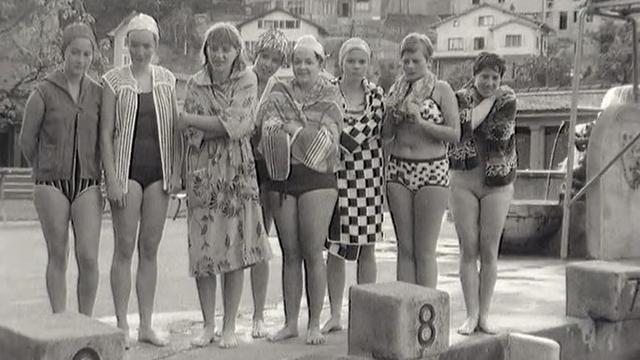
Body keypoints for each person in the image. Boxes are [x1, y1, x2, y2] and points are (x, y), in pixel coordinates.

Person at [178, 23, 272, 349]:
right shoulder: (194, 83)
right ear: (205, 50)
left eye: (226, 49)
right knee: (204, 251)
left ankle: (230, 324)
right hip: (202, 169)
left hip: (237, 171)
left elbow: (240, 124)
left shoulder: (247, 79)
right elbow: (191, 135)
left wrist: (194, 120)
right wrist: (208, 125)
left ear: (236, 52)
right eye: (213, 48)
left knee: (235, 250)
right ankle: (207, 324)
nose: (219, 54)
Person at [256, 34, 343, 345]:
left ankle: (315, 323)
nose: (302, 67)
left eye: (309, 61)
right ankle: (291, 322)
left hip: (318, 178)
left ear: (321, 64)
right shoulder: (278, 89)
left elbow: (326, 142)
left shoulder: (332, 94)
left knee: (312, 252)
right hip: (282, 175)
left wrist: (291, 128)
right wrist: (299, 131)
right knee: (289, 253)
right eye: (297, 61)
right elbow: (266, 128)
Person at [100, 13, 181, 347]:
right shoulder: (113, 81)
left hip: (158, 173)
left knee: (150, 249)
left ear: (155, 46)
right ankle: (122, 324)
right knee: (124, 248)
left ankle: (146, 324)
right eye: (134, 45)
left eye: (146, 46)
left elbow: (176, 130)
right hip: (126, 171)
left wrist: (175, 171)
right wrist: (113, 180)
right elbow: (105, 135)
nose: (140, 51)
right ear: (127, 45)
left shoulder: (167, 80)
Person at [19, 22, 103, 317]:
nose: (80, 60)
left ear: (92, 55)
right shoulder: (43, 91)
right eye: (74, 53)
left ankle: (85, 320)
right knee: (59, 254)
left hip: (88, 183)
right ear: (63, 53)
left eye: (86, 54)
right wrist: (43, 169)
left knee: (89, 257)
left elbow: (105, 137)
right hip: (51, 184)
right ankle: (60, 320)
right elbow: (27, 140)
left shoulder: (98, 93)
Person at [381, 33, 460, 288]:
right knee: (405, 248)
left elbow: (454, 134)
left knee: (425, 250)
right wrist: (392, 116)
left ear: (428, 60)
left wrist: (421, 122)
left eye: (416, 61)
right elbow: (385, 135)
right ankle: (405, 306)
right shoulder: (396, 89)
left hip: (431, 169)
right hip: (399, 169)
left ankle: (426, 309)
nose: (410, 67)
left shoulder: (442, 89)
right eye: (405, 61)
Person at [447, 52, 517, 335]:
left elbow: (498, 134)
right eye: (484, 76)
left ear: (501, 79)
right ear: (474, 75)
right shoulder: (459, 97)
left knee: (489, 249)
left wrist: (476, 114)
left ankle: (485, 314)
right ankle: (470, 314)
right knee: (468, 248)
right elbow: (461, 129)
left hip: (497, 182)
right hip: (463, 180)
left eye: (494, 78)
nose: (489, 82)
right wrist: (486, 104)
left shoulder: (508, 98)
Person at [322, 37, 385, 334]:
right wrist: (330, 146)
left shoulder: (376, 95)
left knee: (366, 246)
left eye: (362, 61)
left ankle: (368, 312)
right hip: (333, 176)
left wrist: (337, 144)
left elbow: (370, 126)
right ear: (341, 62)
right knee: (335, 247)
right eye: (351, 60)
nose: (357, 66)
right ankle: (334, 313)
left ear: (369, 64)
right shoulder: (327, 90)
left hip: (368, 174)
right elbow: (323, 122)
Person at [248, 28, 289, 339]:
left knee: (262, 238)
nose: (268, 64)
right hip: (237, 164)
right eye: (264, 56)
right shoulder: (239, 80)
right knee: (237, 240)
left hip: (267, 167)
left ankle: (258, 315)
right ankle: (224, 316)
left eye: (275, 59)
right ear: (255, 54)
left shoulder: (281, 88)